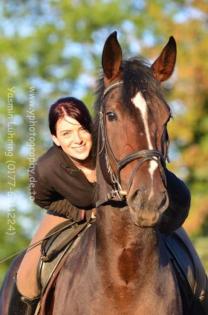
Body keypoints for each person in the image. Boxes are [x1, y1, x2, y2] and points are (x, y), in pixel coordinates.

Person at [7, 97, 190, 315]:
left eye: (82, 130)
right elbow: (41, 198)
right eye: (66, 133)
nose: (77, 140)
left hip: (132, 208)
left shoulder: (111, 147)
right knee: (28, 274)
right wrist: (82, 212)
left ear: (93, 128)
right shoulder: (45, 169)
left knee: (189, 261)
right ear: (55, 138)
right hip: (72, 210)